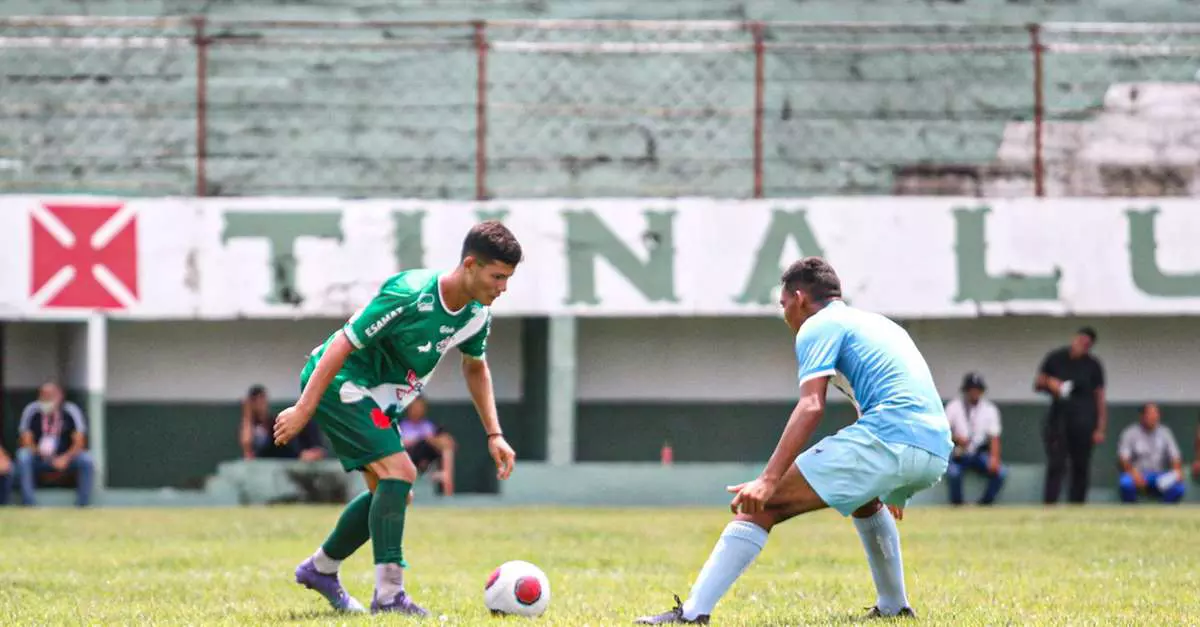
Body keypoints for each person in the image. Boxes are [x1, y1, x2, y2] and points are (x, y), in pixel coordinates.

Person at [635, 257, 952, 624]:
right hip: (935, 447)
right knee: (864, 500)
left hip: (891, 437)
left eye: (783, 304)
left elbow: (811, 405)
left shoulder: (817, 326)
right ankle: (894, 607)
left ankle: (691, 615)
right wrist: (897, 487)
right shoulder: (881, 325)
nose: (785, 314)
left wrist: (768, 480)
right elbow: (899, 398)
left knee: (760, 507)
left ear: (800, 298)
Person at [272, 220, 522, 616]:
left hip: (380, 397)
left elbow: (475, 367)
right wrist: (304, 408)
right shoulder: (410, 294)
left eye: (508, 278)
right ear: (470, 265)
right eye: (497, 276)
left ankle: (321, 568)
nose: (503, 287)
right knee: (401, 472)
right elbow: (343, 343)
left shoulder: (477, 314)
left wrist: (495, 433)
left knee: (392, 492)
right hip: (341, 381)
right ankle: (389, 596)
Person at [1035, 327, 1107, 505]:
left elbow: (1100, 397)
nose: (1082, 345)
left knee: (1080, 466)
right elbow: (1038, 383)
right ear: (1074, 338)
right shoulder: (1056, 358)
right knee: (1056, 463)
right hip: (1058, 419)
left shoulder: (1093, 365)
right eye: (1080, 340)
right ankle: (1050, 503)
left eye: (1087, 344)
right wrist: (1050, 383)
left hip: (1084, 422)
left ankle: (1077, 505)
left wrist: (1100, 427)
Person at [15, 381, 95, 507]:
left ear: (60, 396)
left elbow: (79, 441)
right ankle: (29, 503)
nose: (46, 399)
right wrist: (39, 452)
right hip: (39, 458)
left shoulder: (70, 410)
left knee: (86, 459)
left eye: (50, 396)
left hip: (64, 458)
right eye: (43, 395)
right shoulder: (32, 410)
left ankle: (82, 504)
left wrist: (65, 458)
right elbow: (26, 440)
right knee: (23, 456)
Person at [945, 372, 1007, 506]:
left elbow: (994, 437)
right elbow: (943, 432)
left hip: (979, 452)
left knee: (1001, 472)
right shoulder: (954, 406)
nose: (974, 392)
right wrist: (956, 438)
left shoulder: (989, 409)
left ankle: (985, 504)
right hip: (959, 452)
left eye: (977, 389)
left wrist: (994, 458)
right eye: (971, 389)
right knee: (953, 473)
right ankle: (957, 505)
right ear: (965, 390)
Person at [1117, 403, 1185, 504]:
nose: (1153, 417)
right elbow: (1123, 459)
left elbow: (1175, 457)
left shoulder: (1165, 433)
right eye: (1150, 414)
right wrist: (1134, 474)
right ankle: (1131, 509)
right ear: (1142, 416)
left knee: (1178, 487)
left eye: (1156, 414)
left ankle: (1165, 510)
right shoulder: (1130, 433)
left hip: (1159, 476)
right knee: (1125, 483)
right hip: (1137, 474)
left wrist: (1176, 471)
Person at [240, 385, 327, 461]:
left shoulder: (275, 423)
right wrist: (247, 415)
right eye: (256, 400)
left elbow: (318, 451)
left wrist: (307, 455)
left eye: (262, 399)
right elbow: (248, 450)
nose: (260, 404)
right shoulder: (252, 426)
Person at [398, 396, 457, 496]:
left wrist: (431, 440)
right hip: (407, 458)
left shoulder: (429, 426)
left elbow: (447, 443)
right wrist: (418, 439)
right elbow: (400, 444)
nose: (417, 410)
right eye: (415, 407)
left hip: (427, 458)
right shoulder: (402, 425)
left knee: (444, 444)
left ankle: (448, 493)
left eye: (420, 407)